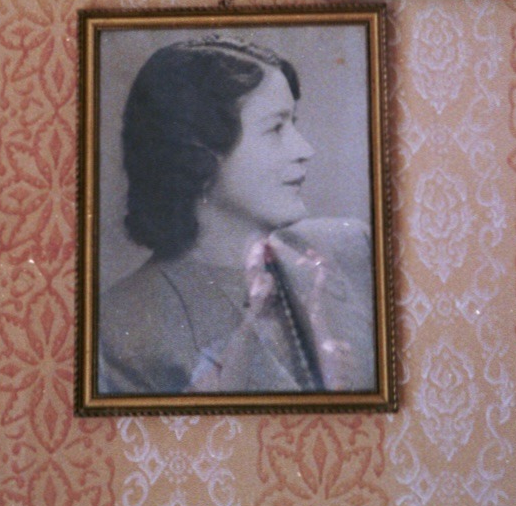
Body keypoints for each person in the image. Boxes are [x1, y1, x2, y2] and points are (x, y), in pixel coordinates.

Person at [98, 37, 377, 396]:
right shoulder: (125, 329)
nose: (305, 150)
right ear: (196, 153)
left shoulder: (352, 247)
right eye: (275, 128)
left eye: (293, 123)